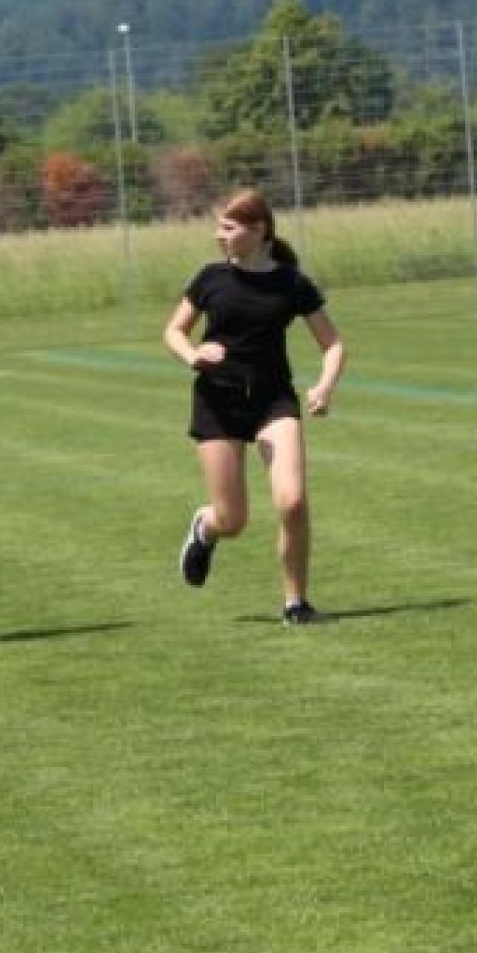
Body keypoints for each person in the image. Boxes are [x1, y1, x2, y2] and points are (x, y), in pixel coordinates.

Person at [164, 187, 347, 626]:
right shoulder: (210, 278)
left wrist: (324, 386)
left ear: (259, 230)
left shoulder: (292, 283)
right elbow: (173, 331)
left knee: (293, 501)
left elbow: (333, 344)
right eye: (218, 227)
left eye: (228, 228)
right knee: (232, 520)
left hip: (273, 401)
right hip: (218, 401)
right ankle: (205, 528)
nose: (218, 235)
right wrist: (193, 355)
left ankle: (296, 604)